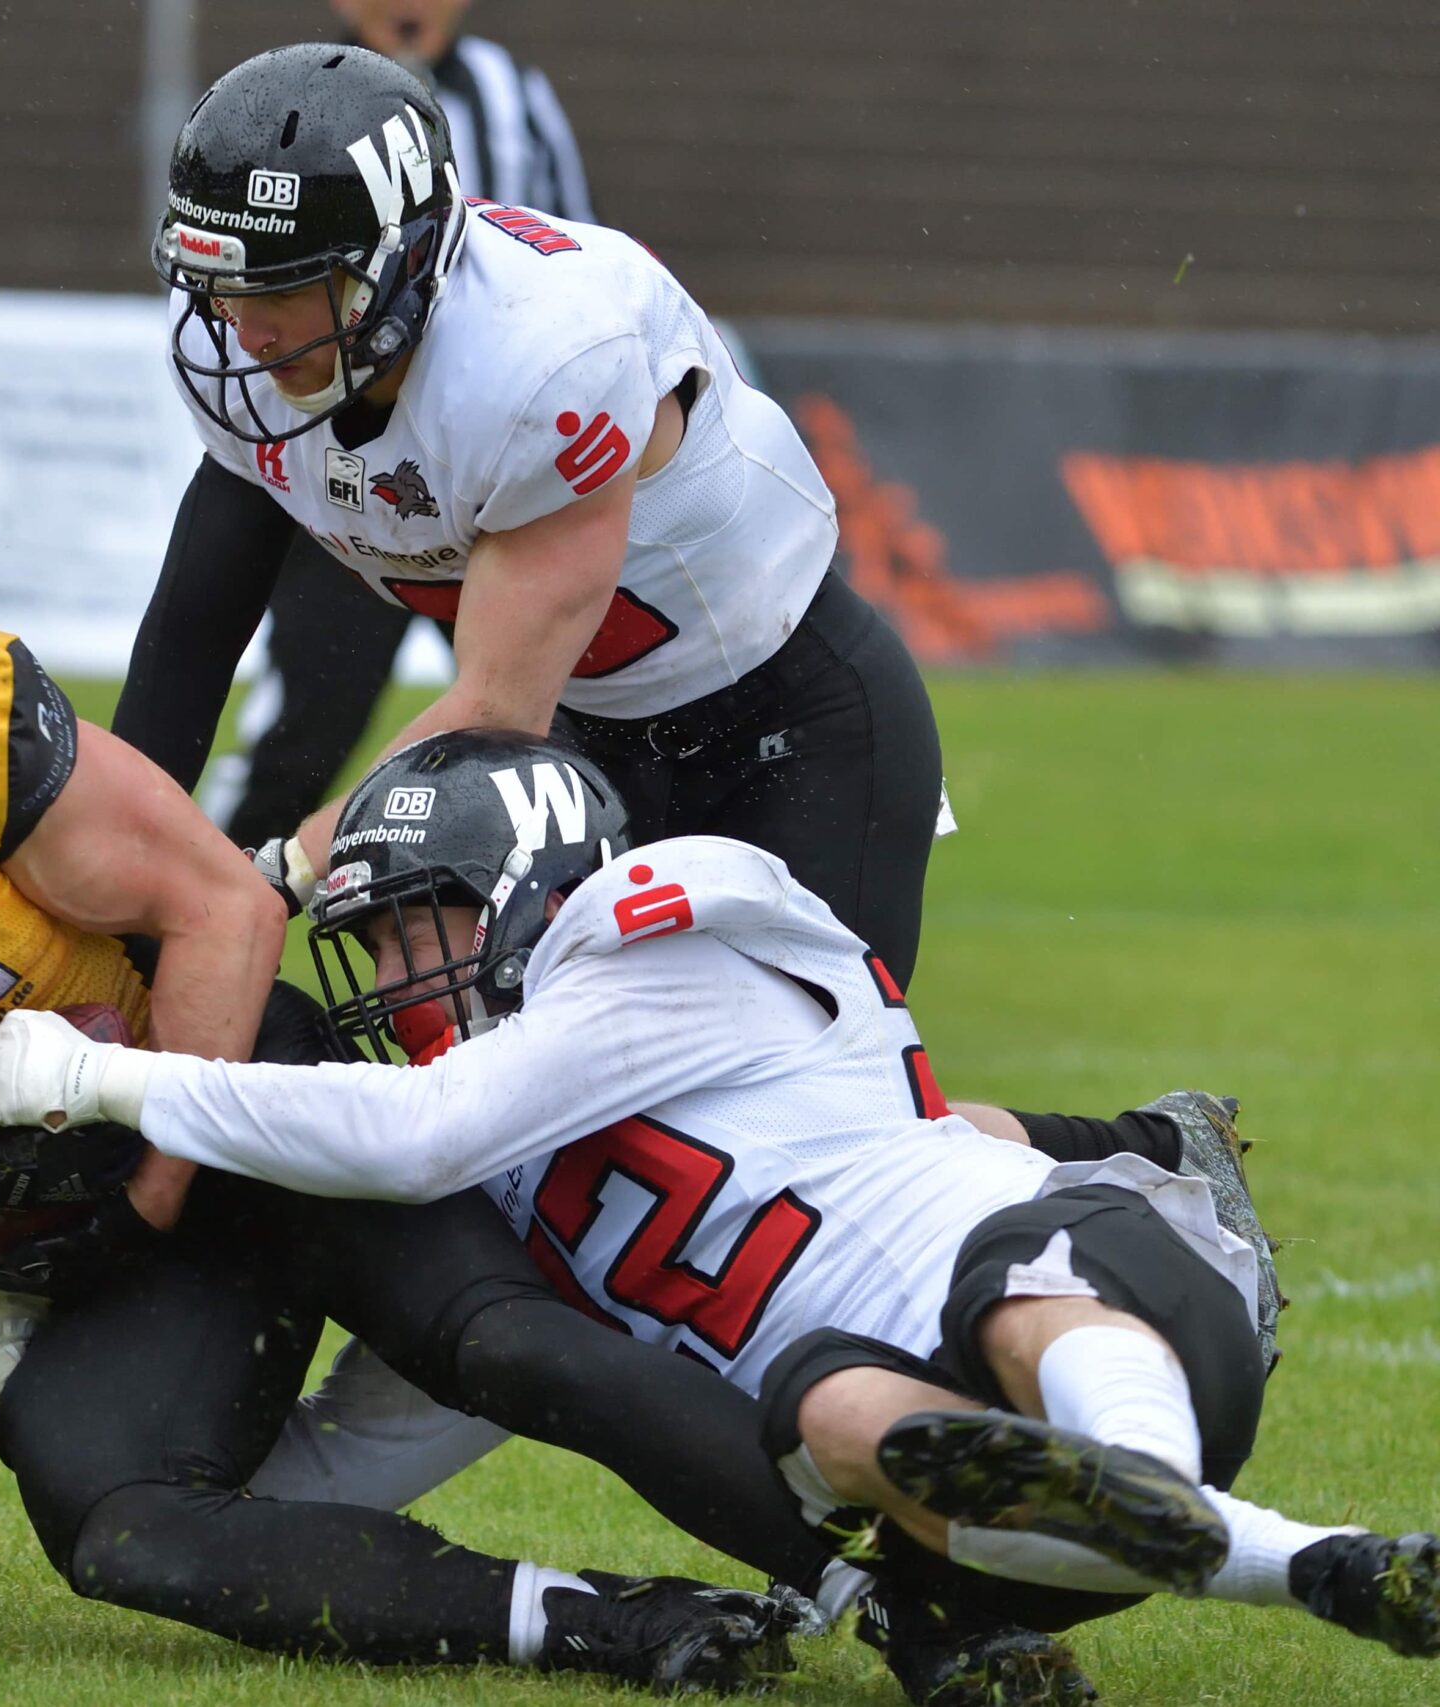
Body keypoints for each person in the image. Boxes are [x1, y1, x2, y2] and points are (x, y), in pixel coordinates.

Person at [0, 506, 824, 1690]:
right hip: (79, 1218)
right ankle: (608, 1624)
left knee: (502, 1342)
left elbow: (223, 907)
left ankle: (882, 1568)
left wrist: (151, 1173)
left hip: (238, 1090)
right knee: (117, 1521)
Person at [118, 38, 1279, 1387]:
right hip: (600, 741)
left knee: (812, 1139)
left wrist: (262, 876)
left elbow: (491, 710)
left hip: (787, 726)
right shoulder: (258, 359)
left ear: (393, 269)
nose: (246, 330)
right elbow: (193, 627)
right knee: (609, 1150)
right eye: (223, 286)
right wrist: (126, 848)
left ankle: (1136, 1159)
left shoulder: (541, 354)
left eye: (281, 288)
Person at [0, 730, 1437, 1702]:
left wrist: (103, 1076)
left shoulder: (660, 932)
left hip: (1113, 1283)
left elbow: (418, 1132)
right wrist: (97, 1362)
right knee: (822, 1410)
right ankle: (1235, 1542)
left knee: (1012, 1283)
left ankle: (1207, 1507)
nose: (396, 976)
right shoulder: (514, 1196)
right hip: (995, 1523)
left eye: (417, 923)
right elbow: (351, 1457)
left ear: (530, 880)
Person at [203, 0, 595, 852]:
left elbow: (582, 254)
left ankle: (560, 915)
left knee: (557, 729)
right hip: (349, 457)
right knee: (303, 731)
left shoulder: (509, 92)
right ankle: (218, 889)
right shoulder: (293, 106)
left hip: (490, 473)